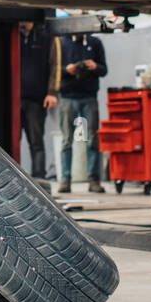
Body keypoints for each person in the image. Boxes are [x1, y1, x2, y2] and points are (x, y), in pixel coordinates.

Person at [52, 32, 107, 194]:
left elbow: (104, 69)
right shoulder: (60, 43)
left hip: (89, 97)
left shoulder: (95, 42)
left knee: (92, 139)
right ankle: (65, 180)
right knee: (67, 140)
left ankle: (93, 180)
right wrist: (66, 70)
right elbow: (52, 68)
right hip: (67, 98)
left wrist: (94, 66)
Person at [18, 22, 58, 180]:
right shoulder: (12, 34)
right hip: (14, 99)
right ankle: (12, 180)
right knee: (11, 142)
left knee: (36, 142)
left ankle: (39, 179)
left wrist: (52, 92)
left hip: (37, 99)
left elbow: (55, 65)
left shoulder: (46, 37)